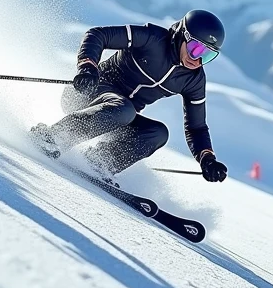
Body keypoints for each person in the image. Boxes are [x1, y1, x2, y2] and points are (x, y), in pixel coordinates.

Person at [31, 9, 228, 184]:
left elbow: (197, 127)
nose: (198, 60)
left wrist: (207, 158)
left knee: (157, 133)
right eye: (196, 49)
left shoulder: (193, 79)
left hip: (116, 116)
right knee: (124, 109)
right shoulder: (153, 38)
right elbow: (98, 34)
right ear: (182, 35)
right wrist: (87, 67)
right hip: (84, 92)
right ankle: (53, 136)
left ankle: (99, 161)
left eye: (208, 56)